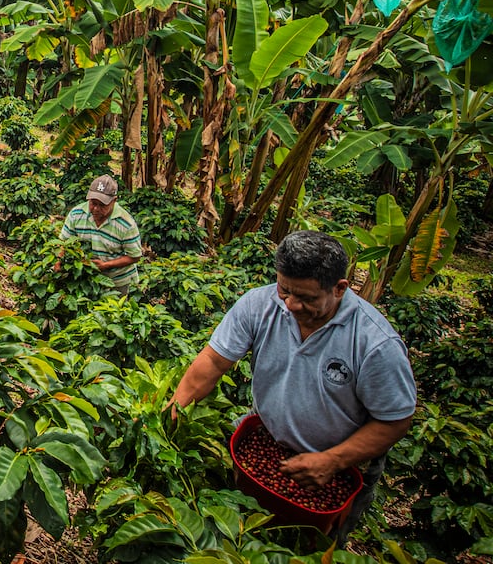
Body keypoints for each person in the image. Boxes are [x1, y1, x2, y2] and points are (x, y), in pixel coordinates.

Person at [170, 230, 416, 542]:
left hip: (336, 468)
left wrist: (332, 461)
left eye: (307, 298)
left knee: (311, 546)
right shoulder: (259, 305)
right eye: (285, 291)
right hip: (267, 441)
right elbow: (213, 362)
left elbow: (395, 420)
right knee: (244, 533)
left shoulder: (375, 343)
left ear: (340, 288)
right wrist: (175, 410)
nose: (292, 305)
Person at [60, 174, 142, 295]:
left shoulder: (125, 224)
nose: (96, 209)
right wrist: (59, 262)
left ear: (114, 201)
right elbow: (63, 243)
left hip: (117, 282)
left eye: (102, 205)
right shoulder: (76, 214)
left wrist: (106, 265)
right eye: (93, 203)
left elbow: (135, 256)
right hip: (85, 278)